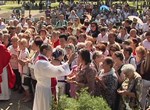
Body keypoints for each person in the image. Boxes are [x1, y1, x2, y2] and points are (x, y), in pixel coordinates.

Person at [33, 44, 75, 110]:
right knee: (46, 107)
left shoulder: (42, 60)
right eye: (50, 50)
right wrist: (69, 62)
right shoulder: (42, 62)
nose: (52, 53)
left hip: (44, 88)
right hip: (46, 90)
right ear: (44, 50)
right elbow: (55, 71)